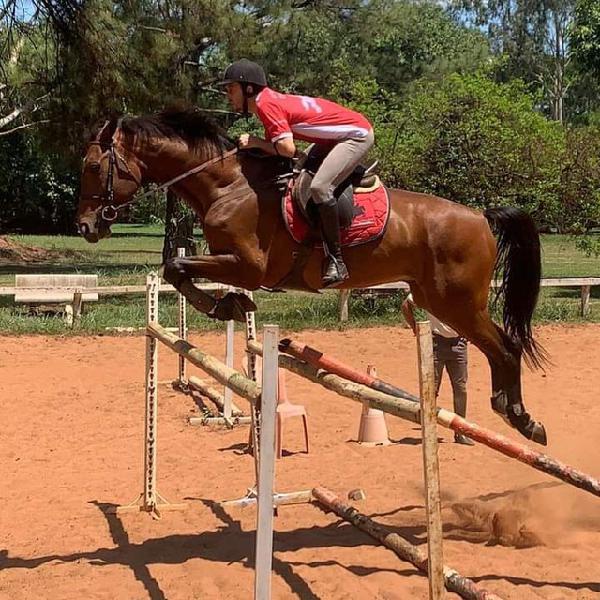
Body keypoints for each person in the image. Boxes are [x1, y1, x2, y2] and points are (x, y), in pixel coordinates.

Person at [219, 58, 374, 288]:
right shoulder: (268, 101)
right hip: (334, 137)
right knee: (301, 169)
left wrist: (256, 142)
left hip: (356, 135)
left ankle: (336, 260)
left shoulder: (265, 105)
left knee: (320, 187)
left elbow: (287, 149)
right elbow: (290, 154)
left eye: (231, 89)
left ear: (248, 89)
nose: (228, 96)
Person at [401, 293, 474, 446]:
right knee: (431, 389)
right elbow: (406, 305)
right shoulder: (429, 291)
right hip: (436, 343)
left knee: (460, 388)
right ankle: (429, 429)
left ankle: (460, 431)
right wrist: (415, 327)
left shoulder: (461, 290)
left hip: (458, 343)